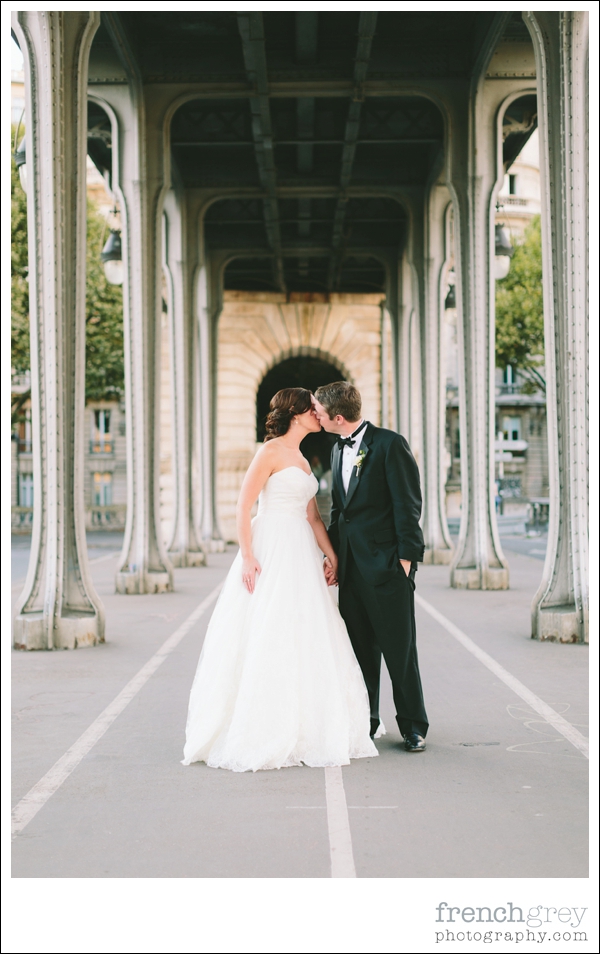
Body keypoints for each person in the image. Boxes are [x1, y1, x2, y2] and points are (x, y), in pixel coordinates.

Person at [182, 387, 378, 772]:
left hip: (301, 550)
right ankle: (264, 724)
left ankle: (309, 721)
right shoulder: (269, 452)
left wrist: (332, 555)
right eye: (311, 409)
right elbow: (243, 505)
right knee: (268, 629)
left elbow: (314, 517)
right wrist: (249, 555)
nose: (317, 414)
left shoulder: (303, 460)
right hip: (271, 546)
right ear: (296, 413)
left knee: (308, 630)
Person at [313, 381, 428, 752]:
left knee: (400, 650)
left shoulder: (390, 445)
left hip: (387, 568)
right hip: (350, 569)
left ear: (338, 416)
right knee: (360, 650)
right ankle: (367, 720)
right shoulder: (335, 448)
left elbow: (408, 505)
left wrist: (407, 562)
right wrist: (333, 556)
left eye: (319, 410)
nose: (316, 415)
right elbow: (339, 511)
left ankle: (413, 726)